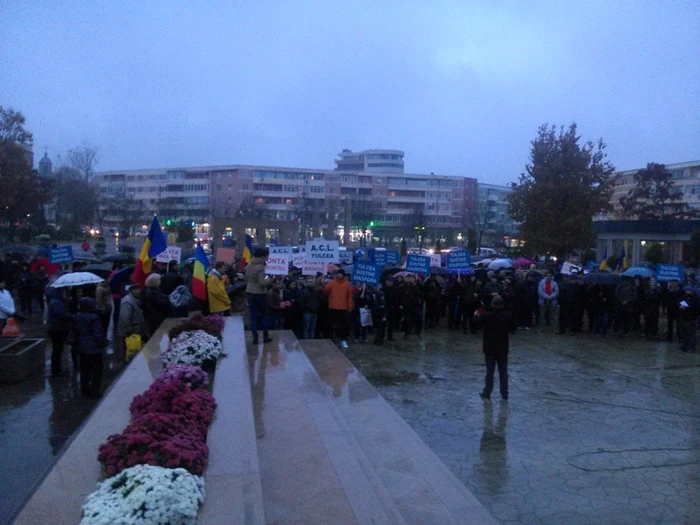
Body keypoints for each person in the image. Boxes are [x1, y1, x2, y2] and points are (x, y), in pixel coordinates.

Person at [474, 294, 511, 400]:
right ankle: (504, 393)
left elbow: (476, 323)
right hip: (503, 347)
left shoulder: (487, 315)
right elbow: (513, 327)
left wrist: (476, 314)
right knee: (503, 371)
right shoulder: (507, 316)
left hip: (489, 347)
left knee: (490, 371)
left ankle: (487, 391)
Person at [73, 297, 107, 398]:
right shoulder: (94, 318)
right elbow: (98, 334)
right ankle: (95, 391)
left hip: (82, 347)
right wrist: (102, 343)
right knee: (97, 370)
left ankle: (84, 390)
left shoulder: (77, 316)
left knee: (85, 370)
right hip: (93, 348)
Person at [245, 248, 272, 345]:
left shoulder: (249, 265)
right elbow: (262, 281)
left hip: (250, 292)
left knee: (253, 315)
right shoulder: (261, 267)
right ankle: (265, 336)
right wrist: (268, 278)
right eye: (267, 256)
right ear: (263, 256)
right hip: (260, 293)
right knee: (264, 314)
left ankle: (255, 336)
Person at [46, 287, 74, 376]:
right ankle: (56, 370)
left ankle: (57, 369)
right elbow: (60, 314)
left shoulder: (57, 301)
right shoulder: (56, 302)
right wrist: (71, 316)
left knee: (58, 349)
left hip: (58, 328)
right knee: (57, 350)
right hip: (57, 329)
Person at [117, 285, 148, 362]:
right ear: (131, 291)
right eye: (136, 289)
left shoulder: (135, 299)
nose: (139, 291)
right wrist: (130, 331)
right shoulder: (127, 301)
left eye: (139, 289)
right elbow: (125, 318)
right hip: (129, 332)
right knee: (129, 348)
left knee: (133, 349)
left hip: (135, 329)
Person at [324, 269, 353, 349]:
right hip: (333, 307)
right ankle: (330, 339)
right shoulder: (332, 282)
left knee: (343, 325)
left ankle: (343, 340)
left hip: (343, 308)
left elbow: (349, 296)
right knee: (331, 324)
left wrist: (350, 306)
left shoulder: (347, 284)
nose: (339, 275)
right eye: (338, 274)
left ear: (343, 275)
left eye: (340, 274)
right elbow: (326, 291)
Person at [678, 286, 700, 353]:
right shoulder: (683, 297)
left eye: (688, 290)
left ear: (692, 291)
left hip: (691, 318)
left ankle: (692, 347)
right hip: (683, 317)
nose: (687, 291)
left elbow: (696, 309)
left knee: (691, 334)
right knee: (683, 333)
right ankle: (684, 345)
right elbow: (678, 302)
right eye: (686, 290)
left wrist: (687, 309)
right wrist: (680, 306)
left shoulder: (696, 299)